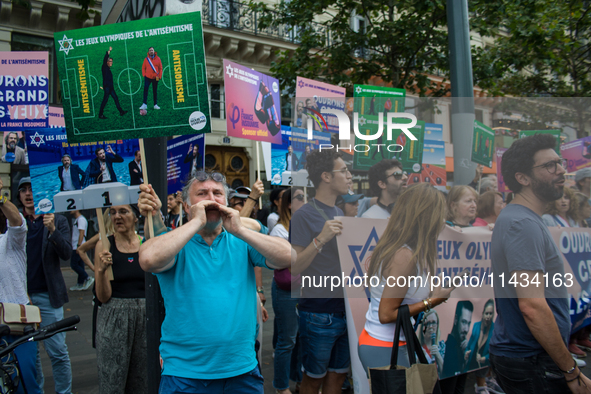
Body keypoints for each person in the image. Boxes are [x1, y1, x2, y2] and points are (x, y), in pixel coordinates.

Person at [137, 171, 291, 393]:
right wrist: (197, 221)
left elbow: (286, 256)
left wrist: (239, 229)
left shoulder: (241, 239)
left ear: (226, 203)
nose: (211, 198)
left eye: (217, 193)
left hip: (242, 370)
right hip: (186, 374)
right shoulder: (176, 242)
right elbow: (149, 259)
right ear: (187, 206)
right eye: (202, 193)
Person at [490, 133, 591, 393]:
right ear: (522, 178)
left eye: (560, 163)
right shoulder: (522, 224)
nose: (561, 171)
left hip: (530, 356)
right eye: (549, 166)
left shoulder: (523, 218)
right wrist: (570, 370)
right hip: (531, 359)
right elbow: (532, 306)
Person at [359, 184, 454, 375]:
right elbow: (386, 315)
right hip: (384, 347)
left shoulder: (406, 251)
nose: (443, 221)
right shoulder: (404, 256)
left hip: (389, 344)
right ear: (425, 217)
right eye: (440, 214)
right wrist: (432, 301)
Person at [290, 150, 353, 394]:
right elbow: (295, 266)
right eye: (344, 171)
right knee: (313, 380)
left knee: (338, 378)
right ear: (326, 176)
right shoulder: (303, 215)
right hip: (318, 312)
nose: (349, 176)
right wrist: (321, 239)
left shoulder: (338, 212)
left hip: (346, 309)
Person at [18, 177, 73, 394]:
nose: (28, 193)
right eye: (23, 190)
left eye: (32, 188)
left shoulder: (57, 220)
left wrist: (52, 230)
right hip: (22, 298)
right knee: (31, 355)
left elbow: (67, 254)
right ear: (19, 196)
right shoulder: (14, 223)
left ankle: (64, 392)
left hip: (49, 297)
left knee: (58, 351)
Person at [94, 204, 147, 393]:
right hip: (114, 318)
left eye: (123, 211)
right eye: (113, 212)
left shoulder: (147, 243)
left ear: (135, 217)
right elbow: (103, 296)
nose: (117, 216)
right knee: (112, 379)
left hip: (145, 318)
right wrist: (100, 271)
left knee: (143, 380)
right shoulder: (104, 245)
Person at [0, 176, 42, 394]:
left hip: (18, 323)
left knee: (25, 382)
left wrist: (0, 197)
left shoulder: (9, 241)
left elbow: (17, 222)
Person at [270, 187, 305, 394]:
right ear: (289, 204)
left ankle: (300, 380)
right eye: (300, 198)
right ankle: (281, 386)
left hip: (304, 288)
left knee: (302, 337)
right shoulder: (279, 230)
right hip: (286, 289)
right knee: (287, 339)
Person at [463, 300, 498, 394]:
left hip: (484, 367)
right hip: (470, 365)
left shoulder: (495, 328)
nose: (488, 316)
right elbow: (470, 344)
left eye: (491, 314)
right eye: (487, 313)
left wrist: (484, 358)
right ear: (482, 314)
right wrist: (466, 352)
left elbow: (495, 349)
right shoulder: (476, 325)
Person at [440, 301, 474, 392]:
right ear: (456, 320)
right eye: (463, 322)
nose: (466, 329)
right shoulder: (448, 349)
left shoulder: (463, 347)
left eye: (469, 323)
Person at [98, 46, 128, 119]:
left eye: (112, 61)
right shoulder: (104, 66)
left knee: (115, 98)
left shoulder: (108, 69)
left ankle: (121, 111)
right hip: (107, 87)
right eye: (110, 61)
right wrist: (109, 51)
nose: (111, 63)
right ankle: (100, 114)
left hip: (110, 87)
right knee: (105, 100)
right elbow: (105, 59)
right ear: (107, 62)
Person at [69, 210, 94, 291]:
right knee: (80, 264)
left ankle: (87, 278)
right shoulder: (78, 219)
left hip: (79, 246)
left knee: (74, 264)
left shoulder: (81, 219)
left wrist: (79, 246)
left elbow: (82, 233)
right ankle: (80, 283)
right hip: (77, 245)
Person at [418, 310, 445, 376]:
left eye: (433, 323)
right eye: (427, 323)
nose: (430, 327)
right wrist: (419, 359)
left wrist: (438, 355)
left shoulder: (442, 346)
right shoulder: (417, 348)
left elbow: (446, 373)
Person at [139, 47, 162, 111]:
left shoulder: (158, 59)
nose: (151, 51)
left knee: (155, 91)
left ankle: (155, 104)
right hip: (148, 77)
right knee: (145, 89)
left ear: (154, 51)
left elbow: (160, 68)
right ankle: (144, 104)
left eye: (152, 50)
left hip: (156, 77)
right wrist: (144, 75)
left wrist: (160, 76)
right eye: (150, 50)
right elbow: (143, 68)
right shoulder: (146, 59)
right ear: (148, 52)